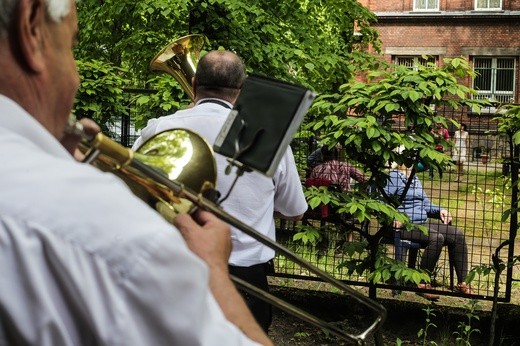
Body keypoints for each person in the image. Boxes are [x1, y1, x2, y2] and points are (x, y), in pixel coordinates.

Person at [0, 0, 273, 344]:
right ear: (31, 25)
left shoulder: (160, 127)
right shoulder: (119, 238)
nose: (77, 76)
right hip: (245, 272)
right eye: (71, 46)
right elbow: (296, 207)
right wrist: (215, 272)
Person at [133, 50, 307, 332]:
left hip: (177, 270)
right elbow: (295, 210)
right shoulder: (266, 137)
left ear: (192, 84)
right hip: (247, 279)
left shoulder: (158, 130)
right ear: (243, 90)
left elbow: (135, 193)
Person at [384, 163, 474, 300]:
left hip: (421, 223)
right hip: (404, 226)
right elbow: (382, 202)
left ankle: (463, 283)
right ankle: (422, 283)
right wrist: (393, 217)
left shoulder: (414, 177)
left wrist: (440, 210)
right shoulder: (393, 177)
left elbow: (425, 204)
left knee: (457, 234)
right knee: (436, 238)